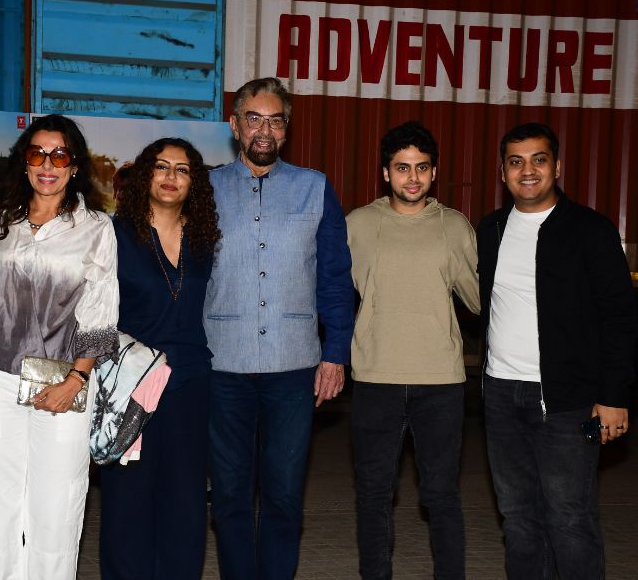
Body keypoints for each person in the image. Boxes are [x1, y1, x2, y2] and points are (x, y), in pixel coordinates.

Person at [204, 77, 355, 579]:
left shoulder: (315, 187)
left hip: (294, 367)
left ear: (286, 129)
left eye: (275, 120)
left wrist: (335, 352)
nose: (264, 130)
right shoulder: (204, 189)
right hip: (223, 364)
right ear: (235, 125)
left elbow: (335, 277)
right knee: (229, 495)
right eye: (254, 119)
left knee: (284, 496)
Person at [477, 122, 636, 579]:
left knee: (570, 518)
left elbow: (620, 318)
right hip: (502, 397)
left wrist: (614, 396)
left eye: (538, 160)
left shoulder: (591, 229)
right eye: (516, 162)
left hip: (572, 404)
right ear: (503, 172)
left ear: (557, 166)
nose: (527, 170)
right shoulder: (491, 229)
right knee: (518, 518)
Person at [0, 114, 119, 580]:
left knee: (56, 505)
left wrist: (76, 378)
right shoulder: (1, 218)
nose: (48, 165)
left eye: (60, 155)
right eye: (37, 154)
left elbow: (101, 312)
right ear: (24, 162)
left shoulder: (95, 227)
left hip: (62, 379)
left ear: (75, 166)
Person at [346, 121, 479, 580]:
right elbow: (334, 294)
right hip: (375, 378)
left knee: (441, 494)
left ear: (434, 172)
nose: (413, 177)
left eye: (422, 167)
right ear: (386, 173)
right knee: (373, 494)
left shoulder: (454, 226)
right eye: (402, 168)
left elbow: (480, 299)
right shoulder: (358, 225)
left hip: (440, 382)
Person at [98, 137, 220, 579]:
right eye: (162, 166)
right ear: (146, 174)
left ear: (193, 182)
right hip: (131, 389)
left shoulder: (205, 238)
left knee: (185, 503)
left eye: (182, 169)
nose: (171, 177)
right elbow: (93, 312)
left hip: (191, 386)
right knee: (127, 503)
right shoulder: (114, 235)